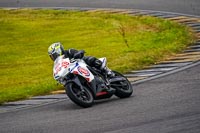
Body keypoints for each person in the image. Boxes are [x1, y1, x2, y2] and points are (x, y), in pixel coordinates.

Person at [48, 42, 114, 77]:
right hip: (73, 71)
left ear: (59, 51)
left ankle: (107, 71)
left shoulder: (69, 51)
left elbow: (78, 52)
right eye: (51, 56)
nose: (53, 57)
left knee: (90, 59)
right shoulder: (59, 63)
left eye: (54, 55)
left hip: (82, 64)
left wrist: (78, 54)